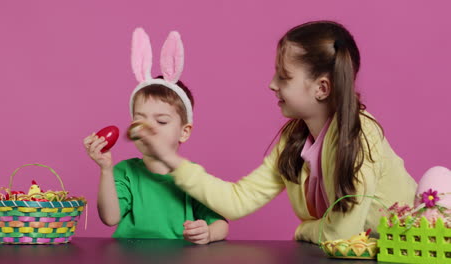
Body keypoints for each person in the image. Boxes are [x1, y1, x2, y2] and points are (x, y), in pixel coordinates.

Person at [132, 21, 417, 243]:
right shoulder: (293, 139)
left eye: (283, 76)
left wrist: (305, 229)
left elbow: (342, 234)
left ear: (322, 88)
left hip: (403, 250)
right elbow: (236, 201)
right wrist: (170, 158)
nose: (271, 84)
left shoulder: (360, 137)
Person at [83, 28, 228, 244]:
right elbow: (110, 218)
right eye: (140, 119)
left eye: (161, 121)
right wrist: (105, 169)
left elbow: (222, 225)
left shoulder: (191, 178)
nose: (148, 129)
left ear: (184, 132)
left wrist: (208, 233)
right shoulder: (126, 172)